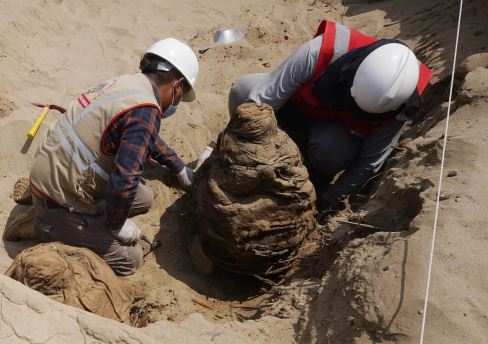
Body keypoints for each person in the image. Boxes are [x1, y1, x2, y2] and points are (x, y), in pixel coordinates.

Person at [197, 20, 432, 216]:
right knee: (243, 89)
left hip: (331, 134)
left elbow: (370, 162)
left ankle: (316, 173)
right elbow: (260, 99)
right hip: (293, 108)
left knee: (331, 153)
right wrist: (221, 147)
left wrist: (327, 200)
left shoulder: (401, 103)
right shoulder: (322, 51)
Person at [29, 38, 199, 275]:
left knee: (144, 198)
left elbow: (142, 135)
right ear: (177, 85)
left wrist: (178, 167)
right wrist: (117, 226)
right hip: (57, 200)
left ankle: (82, 223)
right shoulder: (146, 111)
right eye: (181, 96)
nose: (177, 102)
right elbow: (124, 180)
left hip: (54, 170)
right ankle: (47, 227)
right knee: (130, 259)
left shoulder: (127, 84)